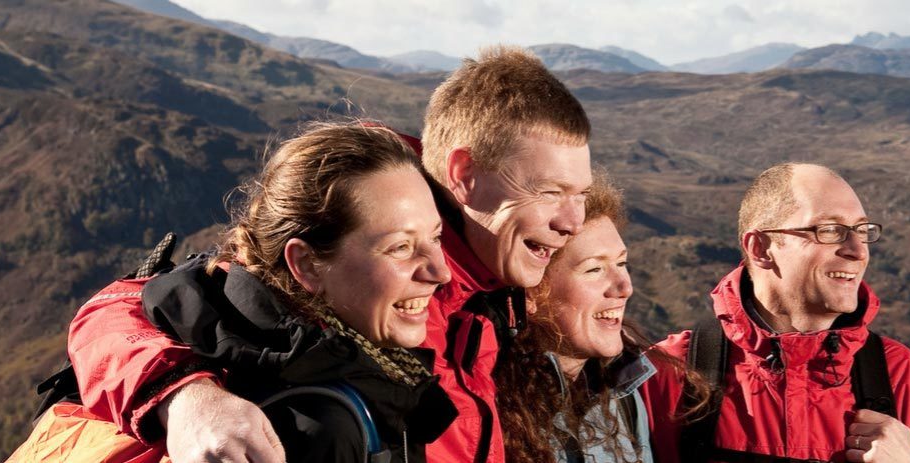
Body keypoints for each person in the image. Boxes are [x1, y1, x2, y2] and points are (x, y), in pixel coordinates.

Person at [62, 46, 594, 463]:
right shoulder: (356, 246)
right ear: (463, 175)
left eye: (581, 195)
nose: (573, 221)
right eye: (549, 191)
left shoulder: (493, 283)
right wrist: (185, 398)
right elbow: (129, 306)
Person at [13, 123, 459, 462]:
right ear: (304, 264)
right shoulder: (309, 426)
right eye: (400, 247)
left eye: (436, 237)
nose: (440, 272)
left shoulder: (215, 301)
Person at [642, 163, 910, 462]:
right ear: (761, 249)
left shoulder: (897, 374)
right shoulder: (667, 373)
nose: (857, 251)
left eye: (862, 230)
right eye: (829, 231)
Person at [493, 175, 665, 462]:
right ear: (533, 290)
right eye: (594, 269)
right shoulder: (490, 408)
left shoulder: (622, 395)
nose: (625, 287)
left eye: (622, 263)